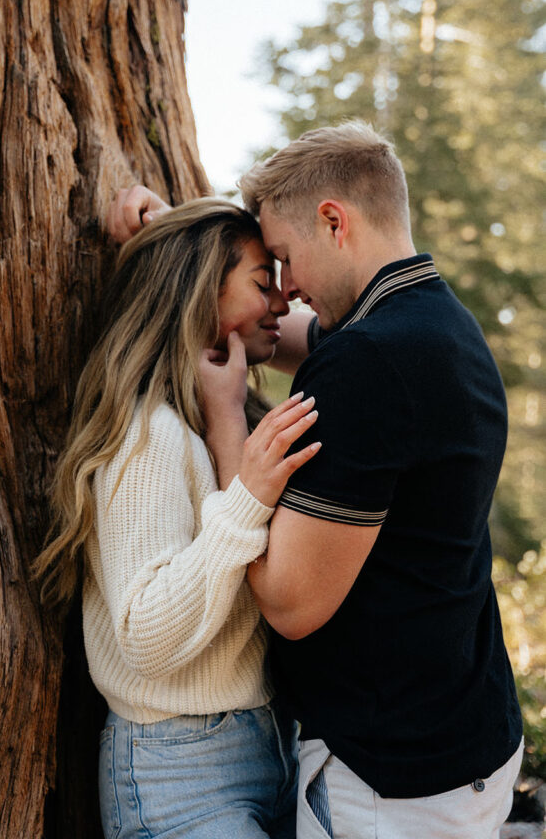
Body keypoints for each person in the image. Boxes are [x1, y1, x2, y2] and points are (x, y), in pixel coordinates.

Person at [109, 121, 523, 839]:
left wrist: (227, 423)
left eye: (283, 259)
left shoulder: (370, 364)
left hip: (391, 781)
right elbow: (273, 332)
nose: (286, 289)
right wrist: (172, 242)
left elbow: (288, 604)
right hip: (462, 730)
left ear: (333, 221)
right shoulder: (432, 322)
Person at [34, 198, 323, 839]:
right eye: (260, 284)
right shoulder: (147, 436)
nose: (281, 303)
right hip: (179, 769)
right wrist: (248, 495)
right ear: (198, 293)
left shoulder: (208, 425)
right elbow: (148, 638)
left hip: (266, 744)